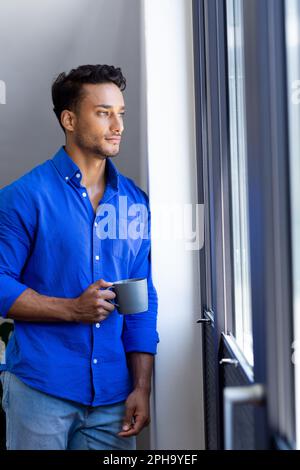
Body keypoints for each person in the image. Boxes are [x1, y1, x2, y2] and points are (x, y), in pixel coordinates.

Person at [0, 64, 159, 450]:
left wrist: (141, 386)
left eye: (120, 113)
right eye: (103, 113)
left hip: (113, 401)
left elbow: (141, 300)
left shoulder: (135, 202)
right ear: (69, 120)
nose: (117, 124)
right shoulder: (24, 197)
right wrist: (72, 309)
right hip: (41, 391)